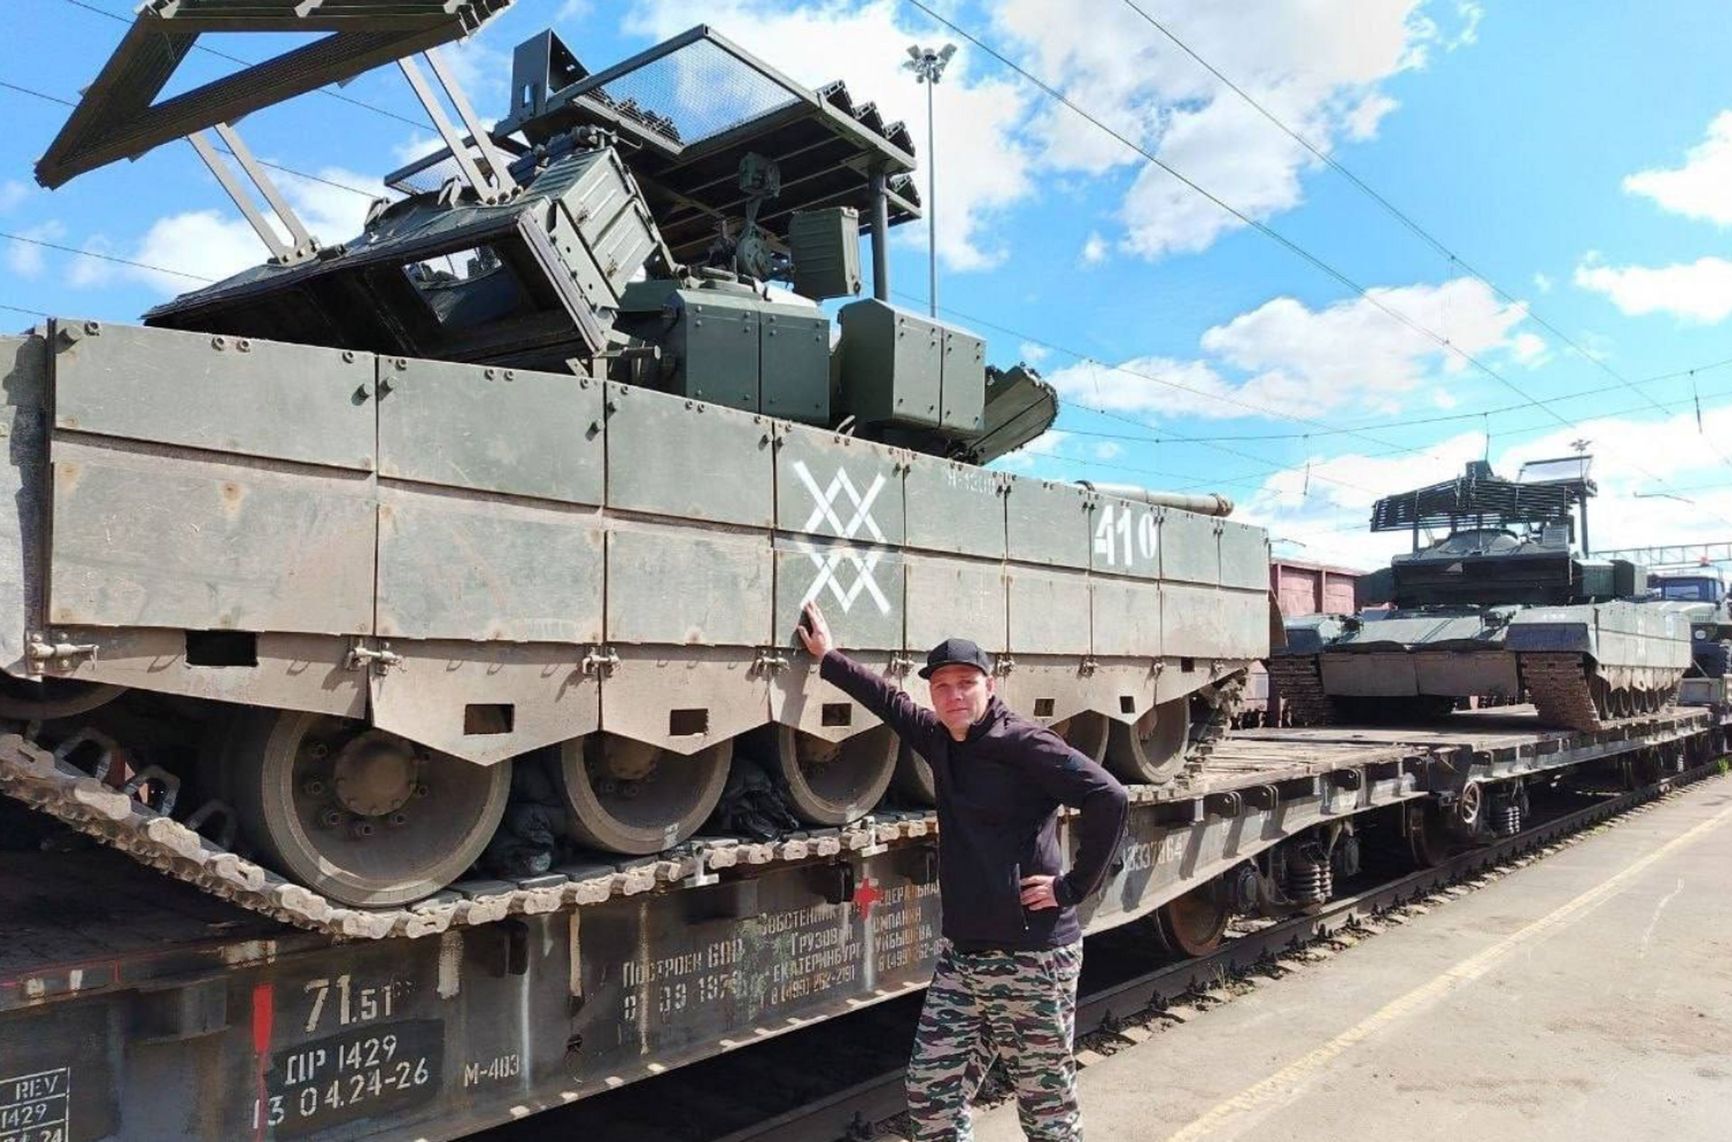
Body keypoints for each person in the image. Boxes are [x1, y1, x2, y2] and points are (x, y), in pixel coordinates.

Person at [796, 600, 1129, 1142]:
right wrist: (829, 657)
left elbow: (1109, 797)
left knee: (1045, 1107)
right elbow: (889, 702)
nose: (953, 695)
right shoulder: (941, 738)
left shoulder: (1025, 744)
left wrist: (1071, 888)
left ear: (989, 686)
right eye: (942, 685)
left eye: (966, 683)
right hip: (963, 954)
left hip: (1031, 956)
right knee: (931, 1093)